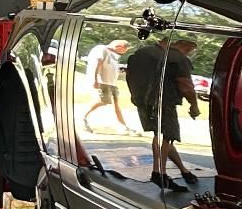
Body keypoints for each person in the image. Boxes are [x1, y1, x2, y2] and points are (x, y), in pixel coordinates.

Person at [125, 34, 200, 189]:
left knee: (165, 137)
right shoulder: (177, 58)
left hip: (143, 102)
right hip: (164, 102)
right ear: (187, 45)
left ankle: (184, 171)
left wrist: (136, 96)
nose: (189, 53)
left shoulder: (142, 52)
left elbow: (128, 75)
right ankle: (159, 173)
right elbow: (185, 86)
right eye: (190, 50)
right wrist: (194, 105)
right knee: (164, 137)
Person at [83, 37, 130, 132]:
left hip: (112, 83)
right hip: (103, 81)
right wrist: (95, 79)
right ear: (119, 46)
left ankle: (123, 126)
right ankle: (83, 117)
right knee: (103, 101)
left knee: (116, 103)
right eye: (124, 50)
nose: (124, 52)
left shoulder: (112, 54)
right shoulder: (102, 49)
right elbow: (98, 63)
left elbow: (110, 66)